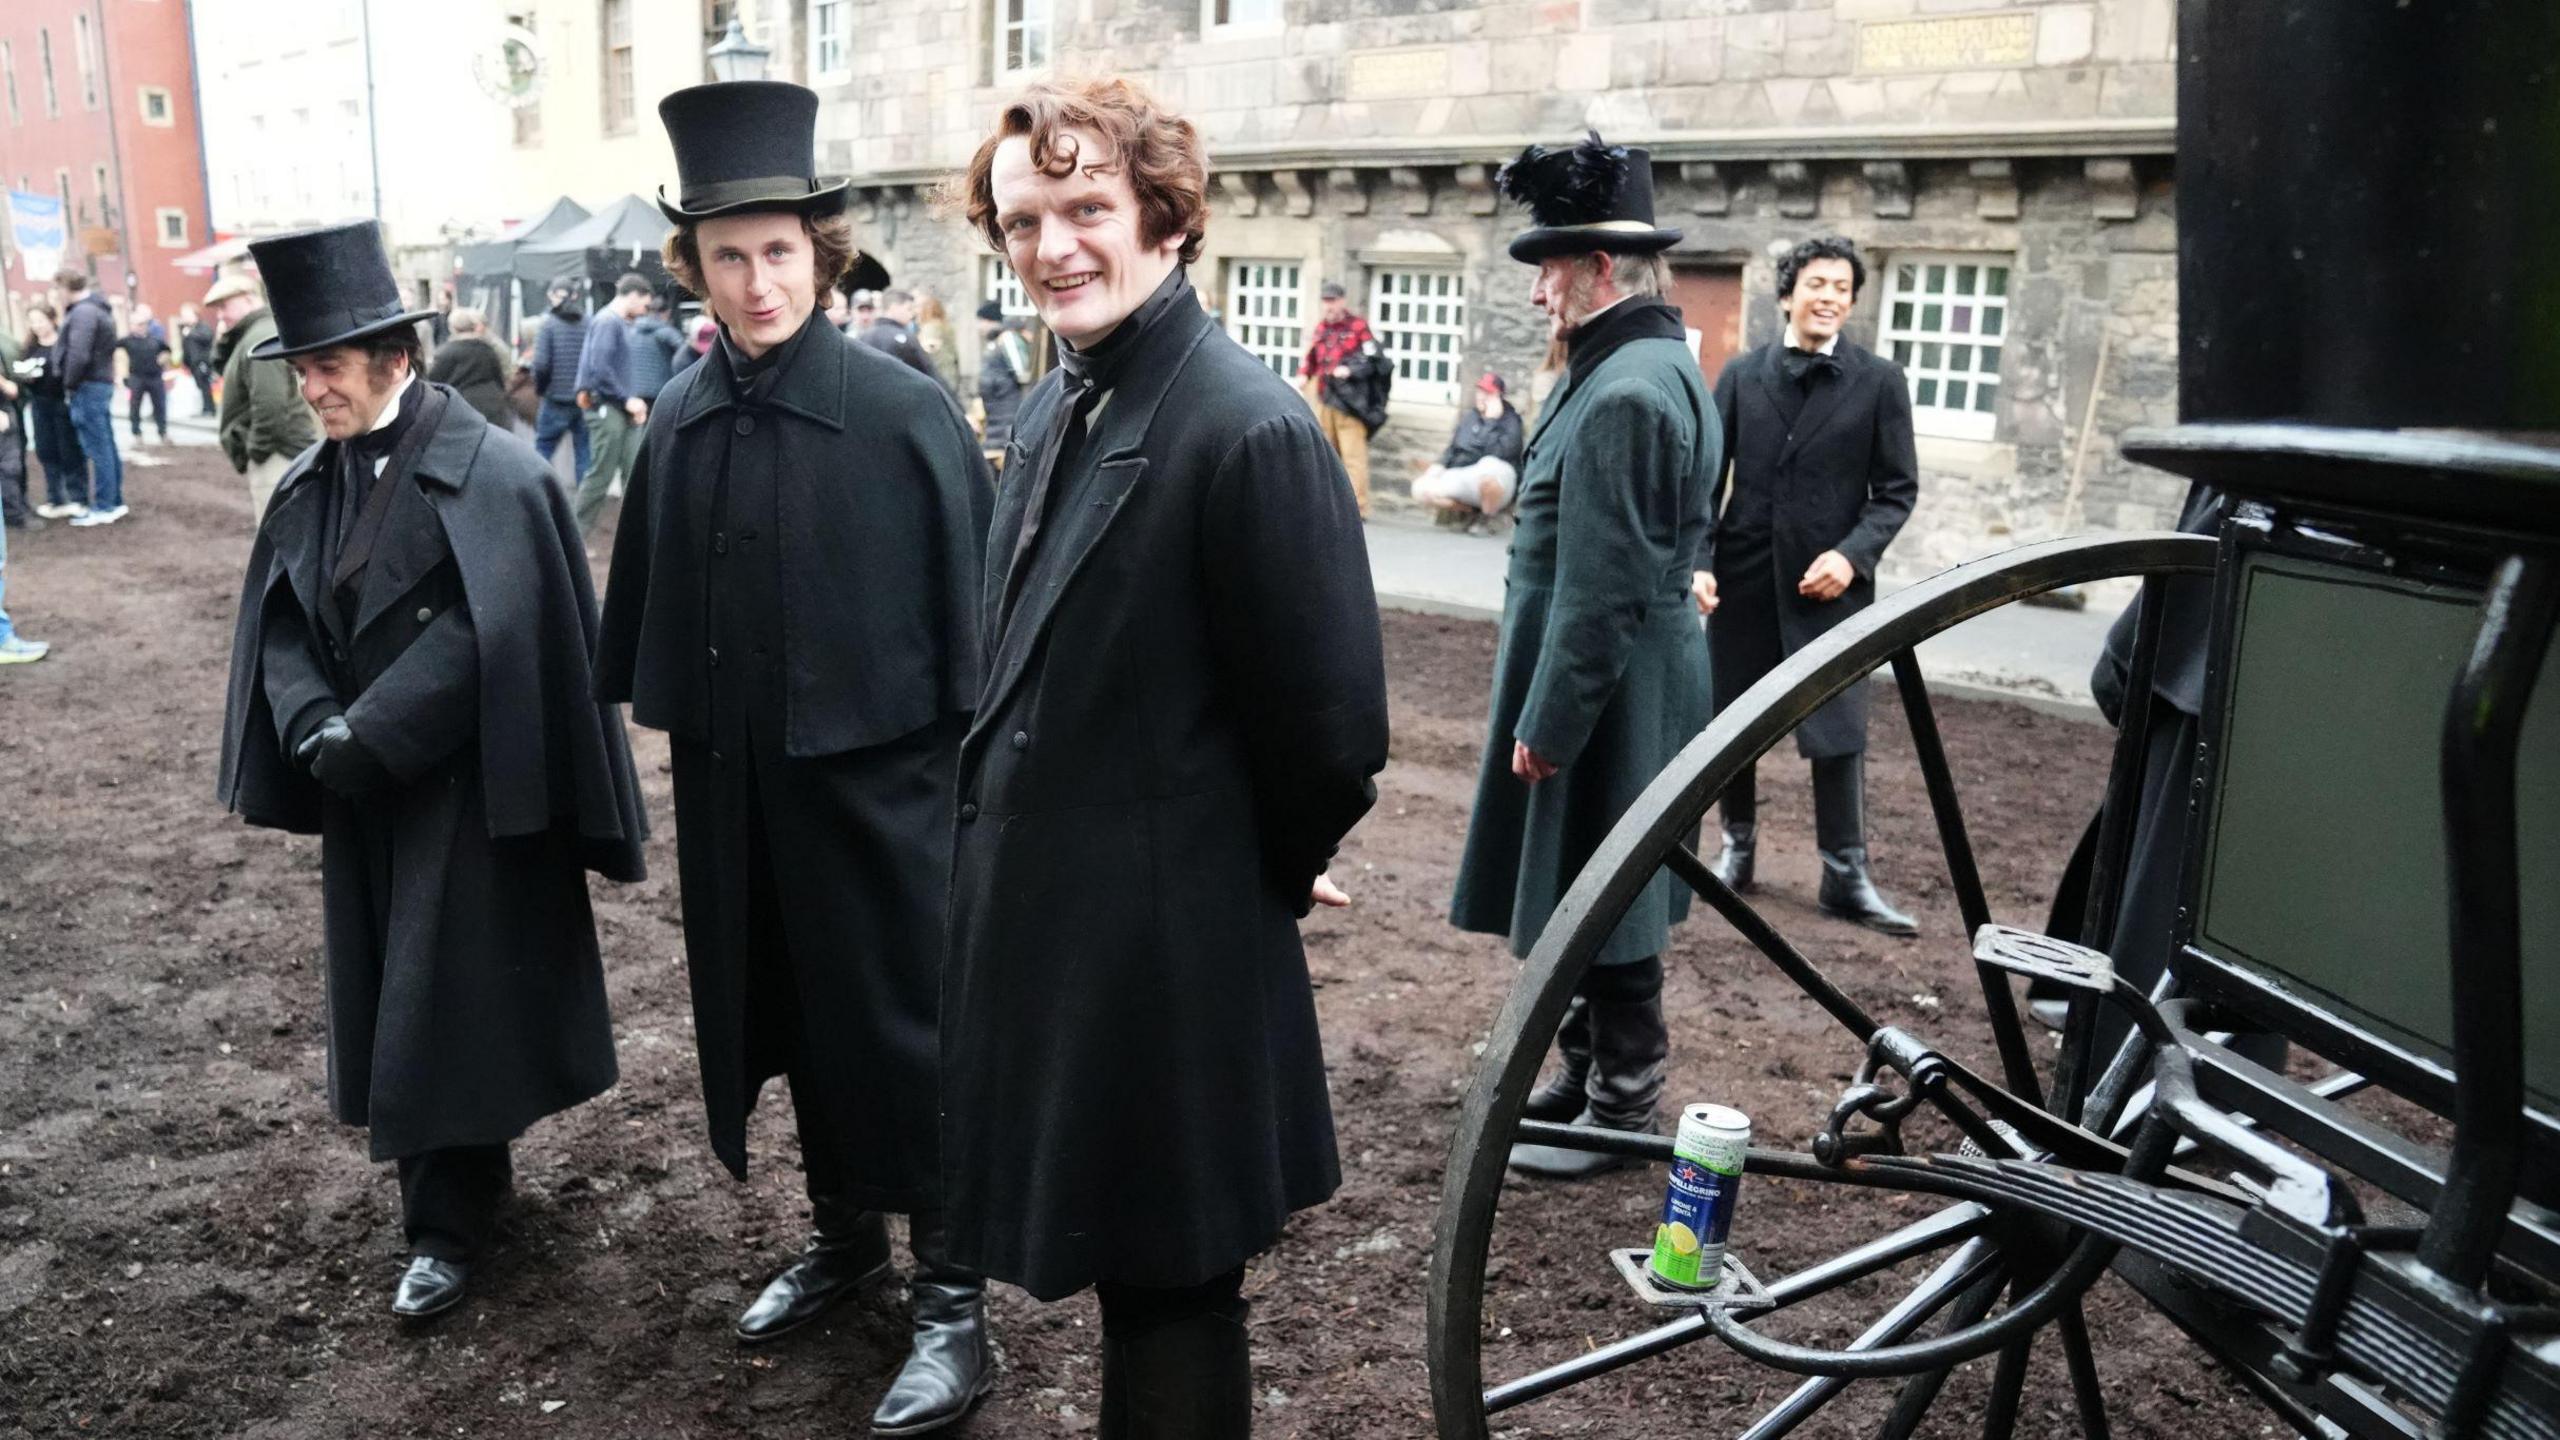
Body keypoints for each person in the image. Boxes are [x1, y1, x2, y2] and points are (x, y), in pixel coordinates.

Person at [943, 77, 1389, 1436]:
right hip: (1075, 945)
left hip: (1172, 955)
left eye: (1087, 209)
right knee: (1130, 1279)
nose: (1053, 247)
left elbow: (1332, 734)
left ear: (1166, 216)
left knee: (1177, 1289)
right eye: (1025, 220)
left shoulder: (1244, 426)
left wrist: (1262, 863)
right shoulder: (1062, 401)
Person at [593, 80, 995, 1436]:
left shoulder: (903, 412)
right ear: (693, 267)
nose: (757, 282)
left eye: (778, 251)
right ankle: (843, 1242)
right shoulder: (684, 424)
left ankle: (953, 1300)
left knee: (902, 1029)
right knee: (783, 1012)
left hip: (886, 803)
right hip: (740, 799)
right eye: (729, 255)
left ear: (818, 253)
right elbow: (648, 625)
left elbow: (977, 634)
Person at [214, 219, 647, 1322]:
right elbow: (281, 619)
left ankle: (443, 1230)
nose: (312, 389)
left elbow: (491, 629)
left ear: (393, 359)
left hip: (465, 787)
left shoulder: (495, 474)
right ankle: (464, 1192)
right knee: (408, 998)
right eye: (301, 369)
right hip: (367, 790)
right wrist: (314, 722)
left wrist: (377, 731)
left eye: (327, 367)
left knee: (442, 1001)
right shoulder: (310, 481)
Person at [1447, 133, 1719, 1179]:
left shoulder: (1627, 391)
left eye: (1549, 269)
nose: (1536, 293)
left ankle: (1625, 1105)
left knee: (1613, 896)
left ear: (1601, 270)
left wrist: (1550, 720)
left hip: (1612, 694)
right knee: (1577, 882)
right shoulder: (1630, 367)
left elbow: (1603, 589)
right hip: (1613, 679)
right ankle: (1584, 1071)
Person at [1691, 236, 1920, 936]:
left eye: (1843, 289)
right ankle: (1737, 851)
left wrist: (1852, 558)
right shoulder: (1740, 375)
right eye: (1817, 284)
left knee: (1840, 728)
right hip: (1744, 580)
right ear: (1788, 294)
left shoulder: (1880, 381)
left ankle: (1845, 876)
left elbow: (1897, 491)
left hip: (1832, 589)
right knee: (1735, 723)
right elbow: (1705, 481)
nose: (1830, 298)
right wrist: (1700, 561)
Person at [208, 273, 323, 523]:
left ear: (249, 300)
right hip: (284, 451)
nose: (220, 314)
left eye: (224, 306)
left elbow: (271, 403)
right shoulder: (257, 333)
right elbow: (220, 366)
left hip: (278, 455)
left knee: (278, 543)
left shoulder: (259, 337)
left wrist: (257, 450)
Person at [1295, 280, 1391, 516]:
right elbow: (1312, 358)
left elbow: (1376, 362)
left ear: (1342, 301)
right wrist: (1303, 374)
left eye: (1333, 301)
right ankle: (1331, 506)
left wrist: (1350, 370)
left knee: (1353, 458)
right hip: (1326, 398)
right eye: (1325, 301)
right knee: (1328, 456)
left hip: (1351, 403)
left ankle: (1359, 508)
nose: (1329, 306)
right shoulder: (1321, 329)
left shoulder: (1359, 327)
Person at [570, 273, 653, 536]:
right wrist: (627, 399)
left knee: (633, 472)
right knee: (601, 475)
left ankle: (637, 538)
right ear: (632, 295)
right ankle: (573, 538)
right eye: (644, 304)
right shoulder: (608, 322)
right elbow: (601, 370)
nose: (644, 311)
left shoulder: (611, 321)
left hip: (615, 407)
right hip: (607, 407)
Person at [54, 269, 128, 526]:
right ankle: (113, 502)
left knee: (98, 447)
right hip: (99, 383)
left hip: (87, 386)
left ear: (65, 287)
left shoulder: (83, 313)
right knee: (106, 445)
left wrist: (69, 384)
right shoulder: (99, 309)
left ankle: (105, 505)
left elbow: (79, 354)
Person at [1411, 370, 1525, 522]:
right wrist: (1441, 465)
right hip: (1463, 475)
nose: (1481, 396)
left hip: (1496, 477)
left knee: (1489, 467)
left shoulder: (1511, 422)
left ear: (1498, 396)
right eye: (1480, 391)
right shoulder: (1470, 418)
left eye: (1488, 393)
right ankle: (1469, 510)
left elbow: (1500, 453)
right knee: (1420, 489)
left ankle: (1486, 518)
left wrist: (1491, 422)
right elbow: (1454, 447)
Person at [20, 305, 86, 519]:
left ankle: (78, 496)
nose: (37, 326)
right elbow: (21, 371)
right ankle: (55, 497)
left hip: (62, 402)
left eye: (40, 320)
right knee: (46, 450)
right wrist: (27, 377)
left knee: (69, 449)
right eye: (33, 321)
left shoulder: (62, 343)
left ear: (52, 320)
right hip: (40, 404)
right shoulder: (30, 347)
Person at [527, 279, 591, 485]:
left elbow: (541, 364)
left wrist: (541, 389)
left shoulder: (548, 324)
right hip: (583, 398)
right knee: (584, 452)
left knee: (543, 449)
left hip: (555, 398)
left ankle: (539, 494)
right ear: (575, 296)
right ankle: (583, 506)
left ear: (550, 296)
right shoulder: (588, 322)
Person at [427, 307, 517, 432]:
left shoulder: (445, 353)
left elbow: (433, 382)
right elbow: (499, 376)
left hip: (461, 406)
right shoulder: (488, 349)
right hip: (493, 404)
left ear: (452, 328)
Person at [973, 301, 1031, 449]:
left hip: (1007, 416)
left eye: (981, 321)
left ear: (990, 320)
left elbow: (1022, 373)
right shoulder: (993, 342)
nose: (979, 327)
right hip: (996, 417)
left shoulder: (1007, 339)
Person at [858, 287, 940, 380]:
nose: (912, 314)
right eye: (908, 309)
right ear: (894, 307)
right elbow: (929, 372)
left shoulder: (863, 338)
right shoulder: (905, 338)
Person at [120, 307, 173, 445]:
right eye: (135, 324)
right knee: (134, 406)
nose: (138, 327)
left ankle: (163, 432)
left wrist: (164, 358)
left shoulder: (155, 340)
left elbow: (168, 351)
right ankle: (137, 433)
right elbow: (113, 351)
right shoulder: (127, 340)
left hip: (155, 377)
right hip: (136, 377)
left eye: (141, 324)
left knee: (160, 406)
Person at [0, 324, 33, 528]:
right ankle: (13, 514)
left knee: (12, 463)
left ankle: (16, 509)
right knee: (9, 465)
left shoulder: (6, 338)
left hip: (10, 406)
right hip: (3, 409)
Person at [630, 293, 682, 403]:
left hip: (635, 391)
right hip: (661, 392)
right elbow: (685, 352)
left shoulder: (632, 331)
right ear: (667, 313)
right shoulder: (667, 332)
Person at [914, 292, 964, 399]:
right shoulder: (944, 325)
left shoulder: (931, 328)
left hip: (939, 375)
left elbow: (926, 352)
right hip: (949, 374)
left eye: (918, 307)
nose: (915, 311)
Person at [180, 303, 219, 416]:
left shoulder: (202, 327)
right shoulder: (186, 329)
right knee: (201, 386)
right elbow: (186, 348)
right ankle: (205, 408)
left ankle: (210, 409)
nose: (185, 318)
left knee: (205, 385)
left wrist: (190, 334)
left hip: (203, 362)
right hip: (193, 364)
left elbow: (207, 337)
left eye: (187, 315)